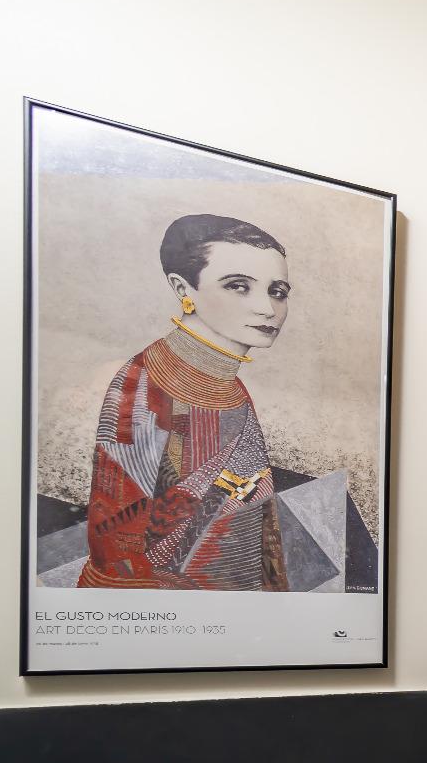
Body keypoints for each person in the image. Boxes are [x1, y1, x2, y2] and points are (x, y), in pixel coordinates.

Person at [78, 213, 292, 590]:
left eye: (277, 291)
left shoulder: (232, 388)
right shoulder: (146, 383)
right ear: (182, 289)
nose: (268, 308)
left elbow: (258, 522)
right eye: (238, 286)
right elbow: (115, 546)